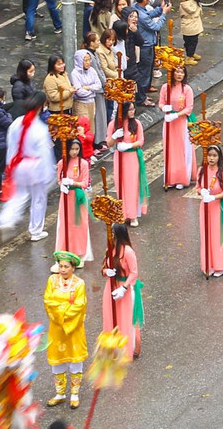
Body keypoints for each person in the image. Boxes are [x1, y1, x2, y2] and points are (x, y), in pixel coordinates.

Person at [0, 94, 53, 241]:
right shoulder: (40, 129)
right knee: (39, 198)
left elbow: (11, 145)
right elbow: (45, 154)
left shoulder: (17, 123)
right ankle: (35, 231)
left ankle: (6, 220)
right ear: (41, 106)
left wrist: (10, 164)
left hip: (19, 164)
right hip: (35, 166)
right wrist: (49, 174)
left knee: (19, 194)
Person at [43, 251, 88, 408]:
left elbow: (79, 305)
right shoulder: (52, 280)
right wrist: (60, 314)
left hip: (73, 328)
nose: (62, 269)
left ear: (73, 268)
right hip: (56, 328)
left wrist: (61, 313)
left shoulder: (79, 284)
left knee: (75, 360)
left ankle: (74, 394)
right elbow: (48, 300)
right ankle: (60, 393)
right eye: (60, 266)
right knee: (58, 361)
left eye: (66, 266)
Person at [101, 223, 143, 360]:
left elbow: (134, 272)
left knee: (125, 318)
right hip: (111, 287)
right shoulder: (110, 249)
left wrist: (124, 287)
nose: (110, 236)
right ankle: (112, 347)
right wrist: (107, 271)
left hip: (124, 288)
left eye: (112, 234)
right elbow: (103, 268)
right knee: (110, 316)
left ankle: (126, 349)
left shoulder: (128, 251)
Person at [197, 144, 223, 277]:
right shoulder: (202, 170)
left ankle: (221, 264)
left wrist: (213, 197)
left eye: (214, 156)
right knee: (206, 235)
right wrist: (202, 192)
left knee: (218, 235)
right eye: (209, 155)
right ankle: (209, 264)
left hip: (218, 207)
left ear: (219, 157)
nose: (211, 158)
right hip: (205, 207)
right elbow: (197, 187)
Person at [55, 138, 92, 265]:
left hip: (78, 197)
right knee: (65, 223)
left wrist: (73, 183)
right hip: (65, 197)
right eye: (72, 149)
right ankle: (64, 251)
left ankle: (79, 253)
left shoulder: (83, 164)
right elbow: (59, 179)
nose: (74, 152)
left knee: (79, 224)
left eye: (77, 149)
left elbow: (85, 183)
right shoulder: (62, 163)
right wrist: (62, 185)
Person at [110, 101, 147, 227]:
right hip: (119, 157)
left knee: (132, 185)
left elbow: (141, 140)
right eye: (129, 109)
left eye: (133, 109)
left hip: (132, 157)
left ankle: (133, 215)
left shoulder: (136, 124)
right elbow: (108, 143)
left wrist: (129, 145)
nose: (132, 112)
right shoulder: (113, 125)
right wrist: (115, 136)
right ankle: (122, 213)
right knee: (120, 184)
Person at [159, 65, 195, 190]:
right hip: (169, 123)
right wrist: (164, 108)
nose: (179, 74)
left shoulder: (187, 89)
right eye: (177, 72)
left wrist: (176, 115)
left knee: (183, 149)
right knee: (170, 149)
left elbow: (189, 107)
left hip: (181, 122)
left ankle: (182, 178)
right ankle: (171, 178)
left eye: (182, 72)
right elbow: (161, 102)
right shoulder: (165, 87)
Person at [132, 0, 168, 96]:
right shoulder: (141, 15)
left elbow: (149, 14)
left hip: (148, 44)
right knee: (145, 71)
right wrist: (164, 14)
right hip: (145, 46)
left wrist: (160, 9)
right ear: (144, 0)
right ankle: (142, 96)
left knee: (148, 69)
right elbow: (156, 26)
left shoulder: (137, 8)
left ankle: (146, 87)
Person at [69, 49, 103, 150]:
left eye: (89, 60)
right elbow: (79, 92)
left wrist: (88, 88)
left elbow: (98, 85)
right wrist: (91, 90)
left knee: (91, 128)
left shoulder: (92, 71)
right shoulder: (75, 73)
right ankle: (82, 151)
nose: (88, 63)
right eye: (85, 60)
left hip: (91, 102)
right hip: (81, 103)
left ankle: (90, 150)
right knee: (82, 129)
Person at [177, 0, 203, 65]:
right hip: (195, 27)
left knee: (188, 42)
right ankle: (189, 56)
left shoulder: (183, 5)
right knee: (193, 42)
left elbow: (181, 15)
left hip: (186, 27)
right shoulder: (196, 4)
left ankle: (190, 54)